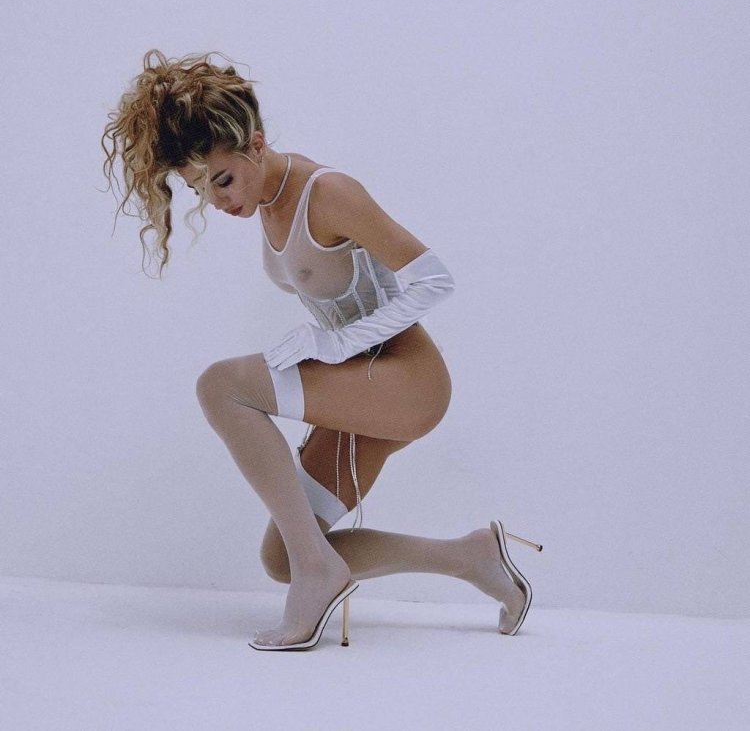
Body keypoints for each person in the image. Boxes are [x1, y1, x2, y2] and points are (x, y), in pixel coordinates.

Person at [100, 49, 543, 652]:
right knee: (283, 554)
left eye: (222, 179)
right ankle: (472, 557)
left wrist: (334, 344)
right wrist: (333, 375)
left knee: (221, 387)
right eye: (200, 189)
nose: (219, 201)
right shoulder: (265, 201)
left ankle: (319, 572)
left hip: (407, 379)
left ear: (257, 144)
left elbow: (434, 278)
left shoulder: (326, 192)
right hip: (361, 386)